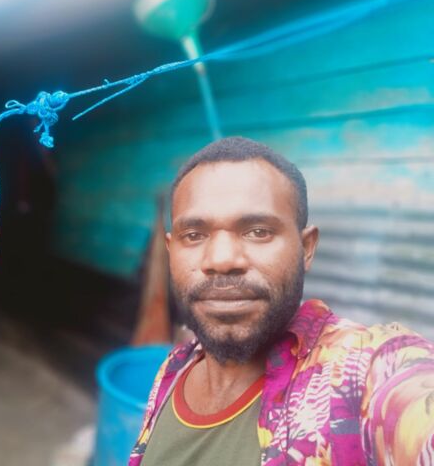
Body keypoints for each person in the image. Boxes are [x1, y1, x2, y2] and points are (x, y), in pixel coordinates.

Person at [129, 137, 434, 465]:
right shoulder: (173, 369)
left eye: (258, 231)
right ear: (171, 250)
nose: (221, 259)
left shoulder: (359, 374)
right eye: (194, 235)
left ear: (306, 249)